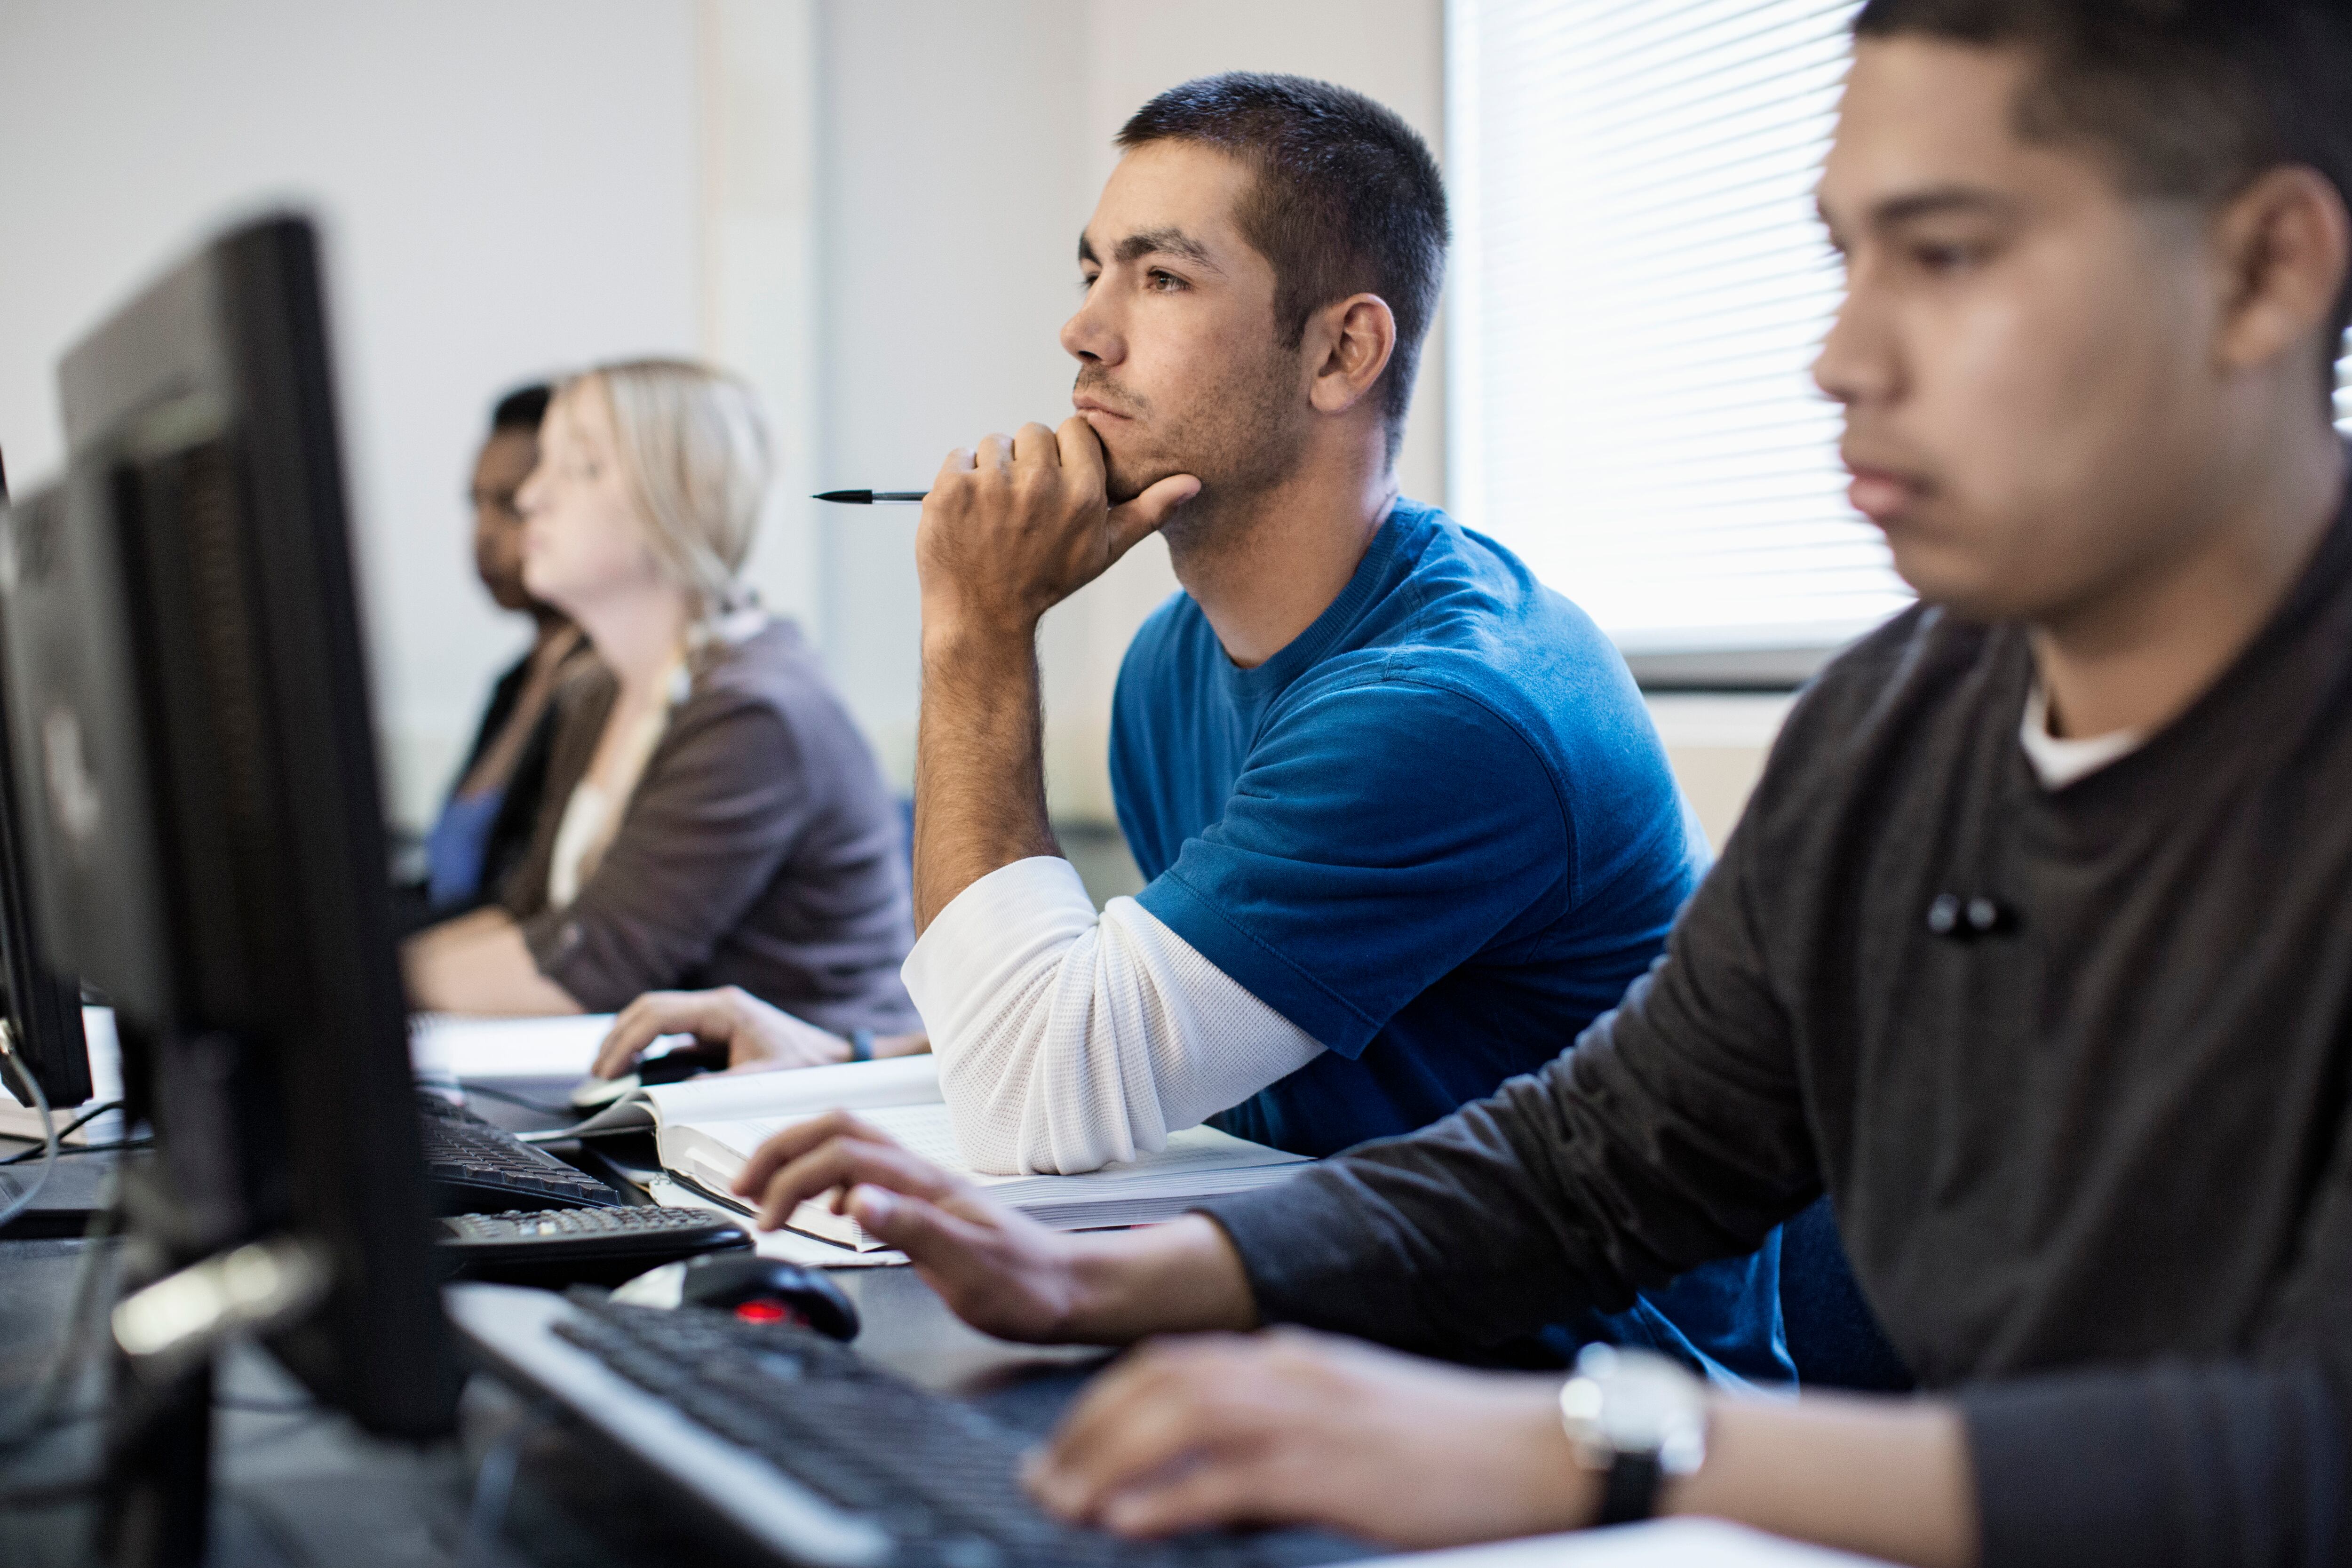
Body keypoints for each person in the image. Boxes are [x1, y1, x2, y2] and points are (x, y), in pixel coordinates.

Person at [723, 4, 2352, 1562]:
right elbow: (1598, 1156)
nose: (1839, 357)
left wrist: (1586, 1446)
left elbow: (2301, 1455)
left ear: (2266, 270)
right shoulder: (1902, 717)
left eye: (1945, 255)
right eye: (1844, 258)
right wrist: (1120, 1280)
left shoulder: (1475, 692)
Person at [597, 74, 1808, 1387]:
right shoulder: (1177, 658)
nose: (1080, 331)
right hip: (1321, 1294)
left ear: (1344, 352)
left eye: (1162, 279)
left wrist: (976, 630)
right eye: (1092, 271)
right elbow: (1188, 1018)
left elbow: (1033, 1102)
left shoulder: (1446, 708)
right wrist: (847, 1057)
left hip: (1567, 1378)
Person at [402, 359, 918, 1037]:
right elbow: (533, 918)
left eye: (579, 468)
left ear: (678, 500)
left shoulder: (754, 711)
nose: (531, 497)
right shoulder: (598, 691)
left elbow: (594, 967)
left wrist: (356, 988)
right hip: (676, 1097)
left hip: (803, 1111)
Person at [397, 383, 594, 933]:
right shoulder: (514, 684)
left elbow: (532, 910)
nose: (483, 535)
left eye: (511, 505)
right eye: (475, 504)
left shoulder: (604, 687)